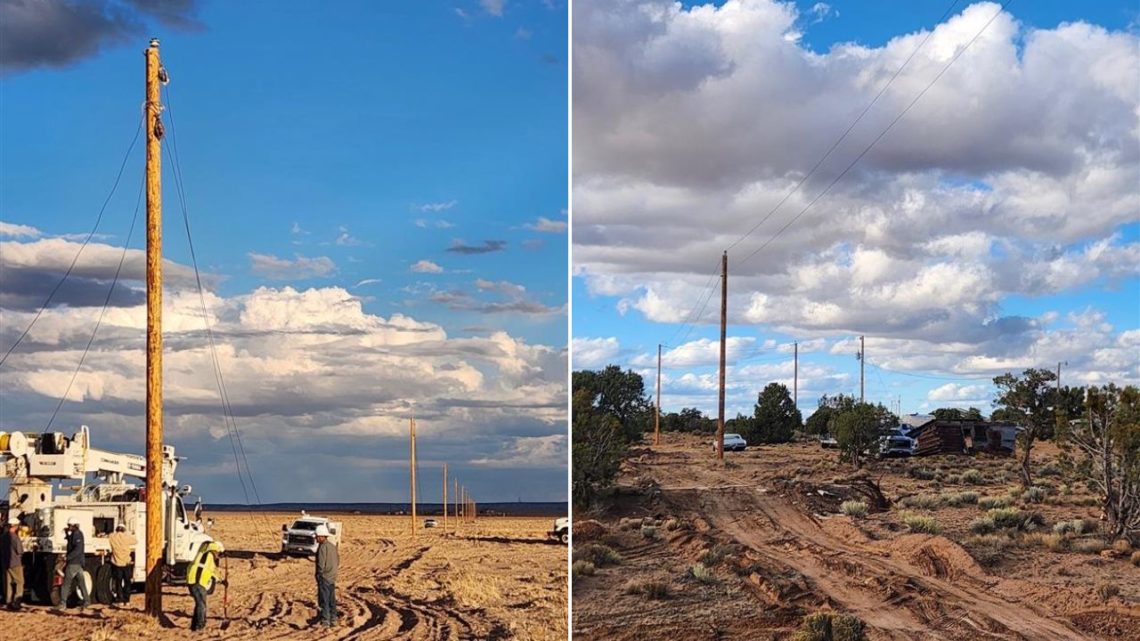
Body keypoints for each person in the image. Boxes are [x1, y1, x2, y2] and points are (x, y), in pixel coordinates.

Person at [186, 540, 224, 632]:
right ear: (217, 550)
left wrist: (221, 580)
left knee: (199, 604)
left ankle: (195, 625)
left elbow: (212, 570)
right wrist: (221, 580)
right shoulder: (209, 555)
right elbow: (211, 570)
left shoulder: (206, 553)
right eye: (219, 553)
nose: (219, 556)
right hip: (197, 582)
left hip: (196, 581)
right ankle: (200, 626)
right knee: (201, 605)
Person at [53, 517, 89, 611]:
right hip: (77, 563)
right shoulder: (75, 534)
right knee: (81, 583)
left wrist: (67, 558)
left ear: (73, 525)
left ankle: (62, 604)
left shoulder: (77, 534)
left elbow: (77, 549)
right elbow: (72, 545)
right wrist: (67, 535)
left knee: (66, 584)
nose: (68, 527)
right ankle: (86, 601)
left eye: (69, 525)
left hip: (73, 563)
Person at [314, 524, 339, 628]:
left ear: (321, 536)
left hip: (324, 577)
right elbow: (338, 561)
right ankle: (334, 619)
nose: (316, 538)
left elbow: (321, 564)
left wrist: (319, 574)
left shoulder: (322, 547)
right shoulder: (332, 546)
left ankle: (325, 621)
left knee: (324, 600)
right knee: (331, 599)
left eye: (316, 536)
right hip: (332, 576)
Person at [107, 524, 137, 604]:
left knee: (118, 582)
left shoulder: (112, 537)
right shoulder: (126, 537)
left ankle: (119, 599)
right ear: (124, 530)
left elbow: (108, 536)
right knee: (127, 582)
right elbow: (135, 541)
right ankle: (126, 600)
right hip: (126, 563)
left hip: (116, 563)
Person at [5, 516, 24, 610]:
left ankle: (8, 602)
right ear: (15, 526)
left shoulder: (3, 537)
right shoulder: (15, 538)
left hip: (6, 563)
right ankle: (17, 602)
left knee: (8, 583)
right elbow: (20, 551)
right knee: (20, 582)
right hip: (15, 563)